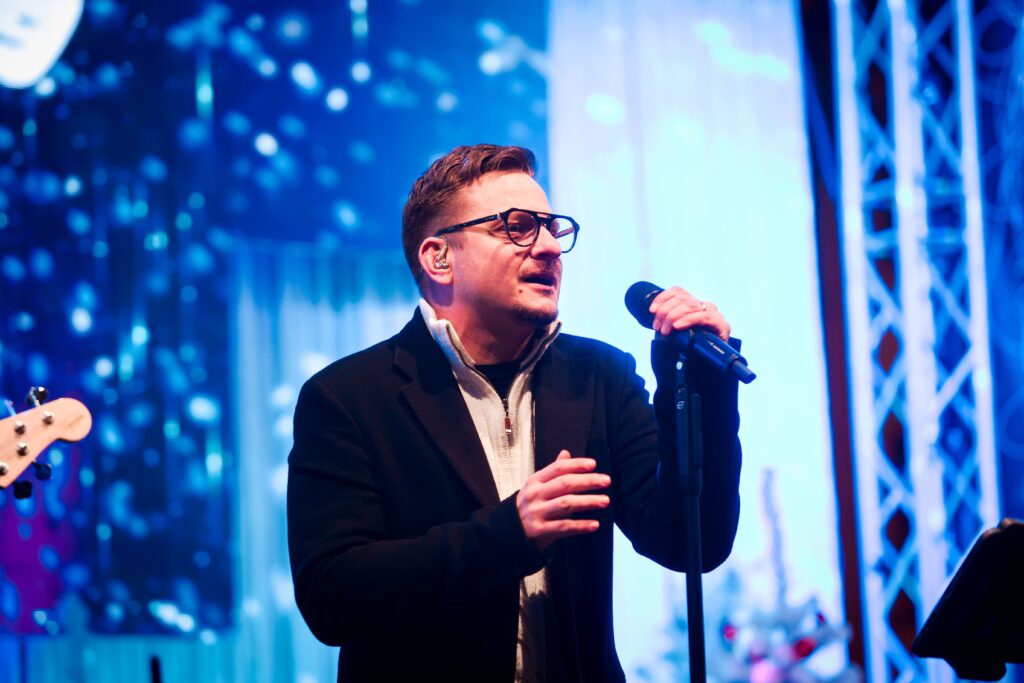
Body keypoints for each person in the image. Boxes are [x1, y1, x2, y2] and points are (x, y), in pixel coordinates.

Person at [287, 144, 742, 682]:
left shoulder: (600, 377)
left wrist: (699, 386)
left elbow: (692, 543)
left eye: (552, 229)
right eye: (518, 227)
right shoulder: (349, 397)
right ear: (439, 258)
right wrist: (509, 534)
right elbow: (332, 596)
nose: (549, 248)